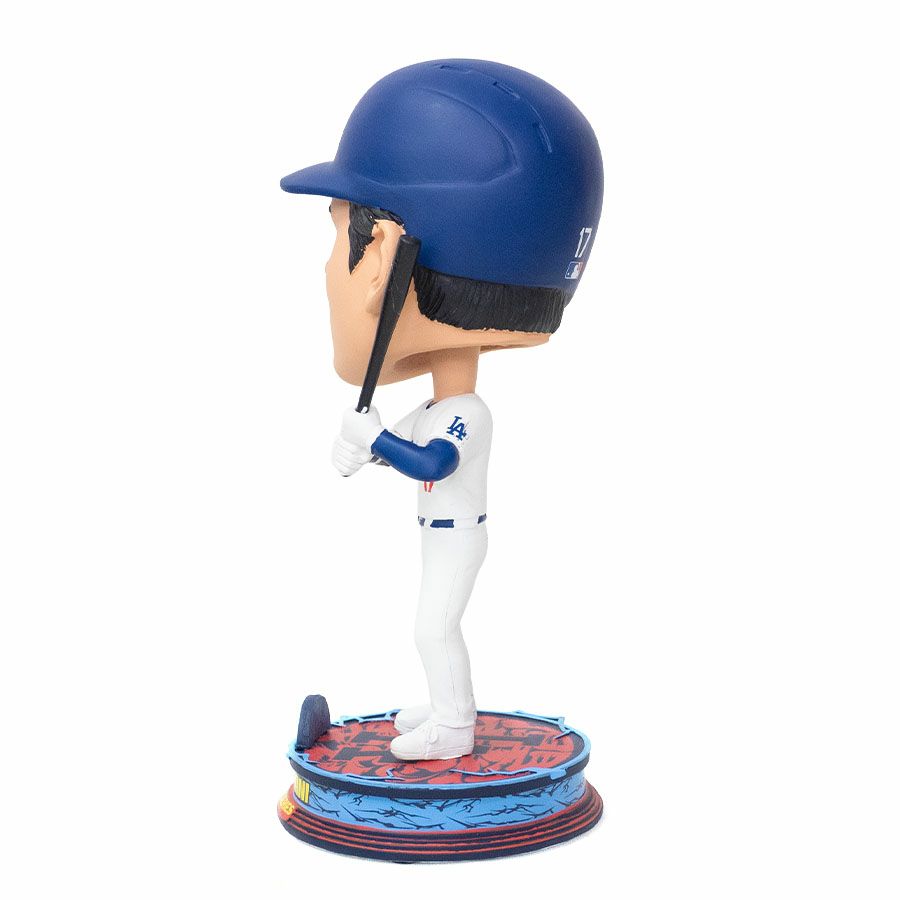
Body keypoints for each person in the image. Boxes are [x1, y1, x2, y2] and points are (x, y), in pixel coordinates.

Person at [281, 59, 603, 760]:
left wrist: (377, 440)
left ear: (380, 258)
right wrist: (365, 448)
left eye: (337, 234)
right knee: (432, 627)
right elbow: (402, 445)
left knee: (433, 628)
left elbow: (430, 461)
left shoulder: (467, 414)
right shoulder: (437, 405)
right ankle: (446, 704)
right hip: (440, 533)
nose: (327, 265)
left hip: (457, 536)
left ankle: (454, 727)